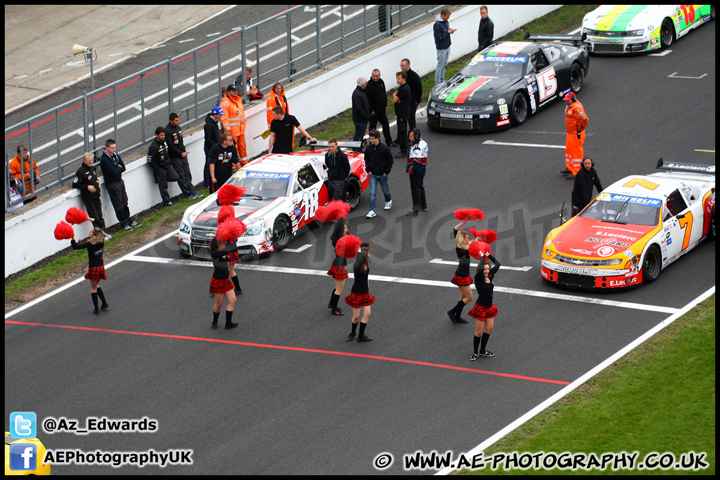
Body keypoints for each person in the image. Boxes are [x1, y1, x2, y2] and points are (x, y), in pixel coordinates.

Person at [100, 139, 142, 232]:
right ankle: (124, 223)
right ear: (107, 148)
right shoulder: (104, 160)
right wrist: (117, 169)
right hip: (112, 184)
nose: (114, 150)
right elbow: (113, 172)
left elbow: (123, 167)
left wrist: (118, 169)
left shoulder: (115, 156)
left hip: (119, 181)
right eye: (111, 148)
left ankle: (129, 220)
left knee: (124, 201)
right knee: (118, 204)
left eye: (114, 147)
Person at [71, 226, 110, 315]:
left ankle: (96, 309)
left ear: (93, 235)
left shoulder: (90, 244)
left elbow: (76, 247)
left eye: (91, 231)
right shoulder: (101, 242)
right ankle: (104, 303)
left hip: (93, 268)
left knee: (93, 288)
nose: (89, 231)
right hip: (101, 267)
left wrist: (73, 238)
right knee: (96, 285)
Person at [468, 251, 501, 360]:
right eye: (485, 269)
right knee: (478, 332)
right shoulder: (478, 279)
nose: (486, 271)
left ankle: (482, 351)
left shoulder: (489, 277)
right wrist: (482, 257)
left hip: (489, 308)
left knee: (489, 329)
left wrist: (488, 255)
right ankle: (475, 352)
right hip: (480, 308)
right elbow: (481, 269)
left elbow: (498, 264)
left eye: (488, 269)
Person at [165, 113, 200, 199]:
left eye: (178, 120)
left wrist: (183, 151)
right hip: (175, 157)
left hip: (183, 154)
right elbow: (171, 146)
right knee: (181, 175)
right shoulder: (168, 131)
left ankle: (192, 191)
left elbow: (180, 141)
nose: (178, 122)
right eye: (176, 120)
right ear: (171, 121)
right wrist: (180, 153)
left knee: (187, 173)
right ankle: (187, 194)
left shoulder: (178, 128)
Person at [345, 242, 374, 342]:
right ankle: (353, 332)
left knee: (367, 314)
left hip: (365, 292)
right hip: (356, 293)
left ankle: (361, 336)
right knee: (356, 316)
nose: (369, 255)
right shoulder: (357, 267)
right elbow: (360, 255)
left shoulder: (364, 262)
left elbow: (363, 249)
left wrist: (360, 245)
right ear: (364, 258)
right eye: (368, 255)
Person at [208, 237, 239, 330]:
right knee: (219, 304)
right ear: (219, 245)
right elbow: (227, 250)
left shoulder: (223, 251)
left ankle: (228, 323)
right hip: (218, 281)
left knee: (233, 300)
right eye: (223, 243)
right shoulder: (215, 254)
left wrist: (232, 238)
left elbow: (232, 247)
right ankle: (215, 321)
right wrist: (230, 242)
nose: (225, 244)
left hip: (226, 280)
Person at [146, 126, 180, 207]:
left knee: (176, 177)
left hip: (168, 166)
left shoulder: (165, 142)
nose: (163, 137)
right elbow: (150, 160)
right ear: (156, 135)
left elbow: (167, 154)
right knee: (163, 187)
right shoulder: (153, 147)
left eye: (164, 135)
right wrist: (157, 170)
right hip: (160, 168)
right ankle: (166, 202)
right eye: (161, 135)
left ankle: (161, 179)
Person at [447, 220, 472, 324]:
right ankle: (452, 312)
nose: (469, 239)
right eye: (467, 238)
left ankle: (457, 317)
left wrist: (463, 222)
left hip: (462, 274)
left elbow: (455, 229)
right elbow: (472, 249)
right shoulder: (462, 251)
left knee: (462, 297)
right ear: (463, 240)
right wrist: (478, 241)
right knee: (469, 298)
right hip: (462, 275)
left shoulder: (461, 246)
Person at [364, 130, 393, 218]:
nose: (371, 141)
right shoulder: (368, 148)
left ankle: (388, 200)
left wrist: (386, 172)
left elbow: (390, 161)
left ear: (378, 138)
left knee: (386, 191)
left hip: (382, 174)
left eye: (372, 139)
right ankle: (372, 210)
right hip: (372, 174)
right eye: (370, 139)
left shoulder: (385, 148)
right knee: (372, 193)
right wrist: (368, 170)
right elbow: (366, 160)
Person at [73, 152, 106, 230]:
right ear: (84, 161)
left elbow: (94, 178)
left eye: (92, 160)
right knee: (94, 217)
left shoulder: (93, 168)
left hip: (96, 195)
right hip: (89, 198)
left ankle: (104, 232)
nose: (91, 162)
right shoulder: (81, 171)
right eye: (89, 160)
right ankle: (99, 233)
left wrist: (97, 181)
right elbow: (75, 184)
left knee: (100, 214)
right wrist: (87, 187)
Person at [562, 92, 589, 178]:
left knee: (576, 152)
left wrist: (580, 127)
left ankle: (577, 171)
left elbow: (585, 119)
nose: (566, 101)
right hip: (571, 133)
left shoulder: (576, 108)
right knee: (569, 151)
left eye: (568, 100)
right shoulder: (571, 106)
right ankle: (570, 167)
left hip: (576, 134)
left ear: (572, 99)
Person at [220, 84, 248, 166]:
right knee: (233, 149)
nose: (235, 92)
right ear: (228, 92)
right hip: (232, 132)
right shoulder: (225, 103)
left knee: (242, 147)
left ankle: (244, 163)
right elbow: (225, 119)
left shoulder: (238, 100)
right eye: (233, 91)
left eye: (236, 90)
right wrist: (228, 132)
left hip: (241, 129)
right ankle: (233, 166)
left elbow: (241, 114)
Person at [366, 69, 395, 146]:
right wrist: (371, 110)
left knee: (385, 125)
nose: (375, 78)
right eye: (374, 76)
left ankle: (389, 141)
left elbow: (384, 94)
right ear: (371, 75)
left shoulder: (381, 82)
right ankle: (372, 142)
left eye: (377, 76)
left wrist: (385, 104)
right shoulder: (369, 85)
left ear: (380, 75)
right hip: (374, 112)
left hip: (381, 110)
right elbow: (367, 99)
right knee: (372, 128)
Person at [327, 218, 349, 316]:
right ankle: (334, 309)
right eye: (344, 228)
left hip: (338, 264)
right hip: (339, 266)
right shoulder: (341, 241)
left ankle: (332, 304)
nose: (346, 229)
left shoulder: (338, 239)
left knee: (338, 287)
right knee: (340, 288)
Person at [405, 128, 428, 216]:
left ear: (416, 136)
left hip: (416, 170)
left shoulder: (417, 147)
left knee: (415, 189)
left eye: (411, 136)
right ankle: (423, 205)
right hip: (422, 169)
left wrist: (411, 170)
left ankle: (416, 208)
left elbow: (417, 161)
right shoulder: (423, 143)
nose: (409, 138)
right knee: (420, 187)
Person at [204, 106, 225, 188]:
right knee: (208, 165)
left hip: (213, 147)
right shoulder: (209, 124)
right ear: (215, 114)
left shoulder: (214, 122)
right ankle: (207, 183)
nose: (221, 116)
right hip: (210, 149)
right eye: (220, 114)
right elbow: (208, 139)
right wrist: (216, 146)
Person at [433, 8, 456, 85]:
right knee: (440, 65)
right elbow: (438, 37)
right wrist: (448, 33)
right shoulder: (437, 25)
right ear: (443, 15)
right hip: (441, 48)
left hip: (447, 46)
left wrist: (450, 31)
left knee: (444, 64)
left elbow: (446, 31)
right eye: (447, 16)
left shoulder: (445, 22)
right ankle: (438, 82)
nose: (448, 18)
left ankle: (442, 79)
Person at [393, 71, 411, 158]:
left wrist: (394, 95)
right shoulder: (402, 88)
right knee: (402, 130)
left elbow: (395, 100)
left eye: (399, 78)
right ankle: (405, 147)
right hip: (402, 113)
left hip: (402, 113)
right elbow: (398, 100)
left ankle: (404, 150)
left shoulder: (404, 89)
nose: (397, 80)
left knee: (402, 131)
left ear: (404, 79)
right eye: (397, 78)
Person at [400, 59, 422, 131]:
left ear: (408, 66)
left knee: (411, 119)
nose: (401, 67)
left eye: (403, 66)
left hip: (412, 101)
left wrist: (418, 101)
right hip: (404, 102)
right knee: (403, 119)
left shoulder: (414, 76)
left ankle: (412, 134)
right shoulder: (402, 76)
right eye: (401, 66)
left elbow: (419, 89)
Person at [351, 77, 371, 141]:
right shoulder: (357, 94)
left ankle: (358, 147)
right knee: (359, 135)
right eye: (366, 82)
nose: (367, 84)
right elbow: (359, 108)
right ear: (363, 85)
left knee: (361, 134)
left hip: (362, 119)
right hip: (360, 119)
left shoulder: (361, 92)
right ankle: (356, 148)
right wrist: (366, 116)